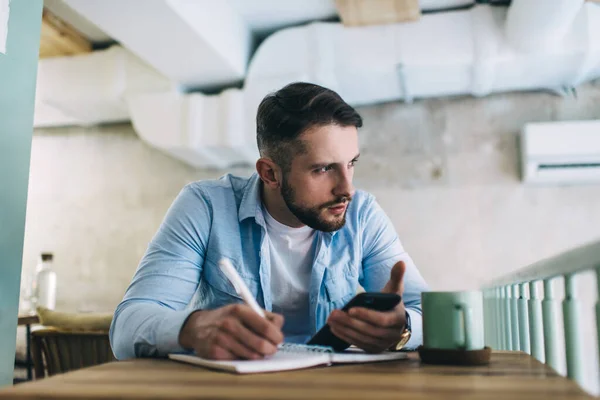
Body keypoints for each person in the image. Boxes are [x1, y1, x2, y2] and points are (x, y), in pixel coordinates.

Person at [110, 82, 429, 361]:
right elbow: (126, 329)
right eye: (322, 169)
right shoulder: (205, 206)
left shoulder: (362, 214)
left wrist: (401, 330)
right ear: (270, 173)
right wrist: (193, 328)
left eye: (350, 164)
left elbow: (430, 318)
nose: (347, 189)